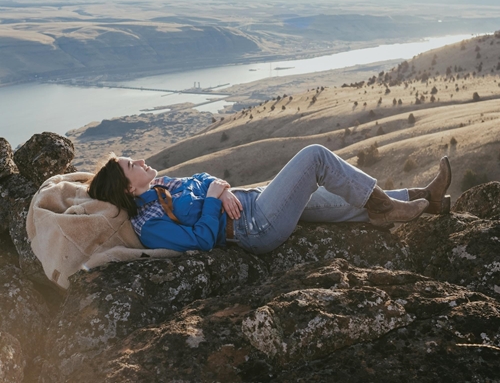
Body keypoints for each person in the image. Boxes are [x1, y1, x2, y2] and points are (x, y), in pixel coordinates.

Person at [88, 145, 451, 255]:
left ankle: (425, 199)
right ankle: (386, 207)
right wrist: (215, 199)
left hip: (256, 201)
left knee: (332, 199)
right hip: (255, 226)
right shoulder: (148, 224)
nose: (138, 160)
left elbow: (204, 179)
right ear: (126, 189)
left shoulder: (164, 183)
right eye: (130, 165)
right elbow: (198, 241)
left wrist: (221, 187)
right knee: (315, 157)